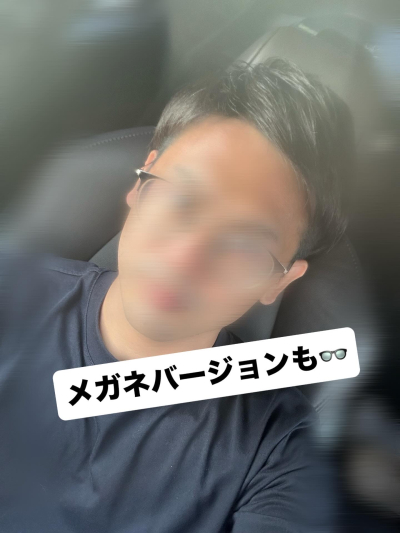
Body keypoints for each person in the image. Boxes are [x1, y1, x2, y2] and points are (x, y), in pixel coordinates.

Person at [0, 57, 355, 532]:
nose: (185, 259)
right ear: (141, 182)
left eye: (246, 245)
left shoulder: (281, 450)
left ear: (280, 281)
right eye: (182, 200)